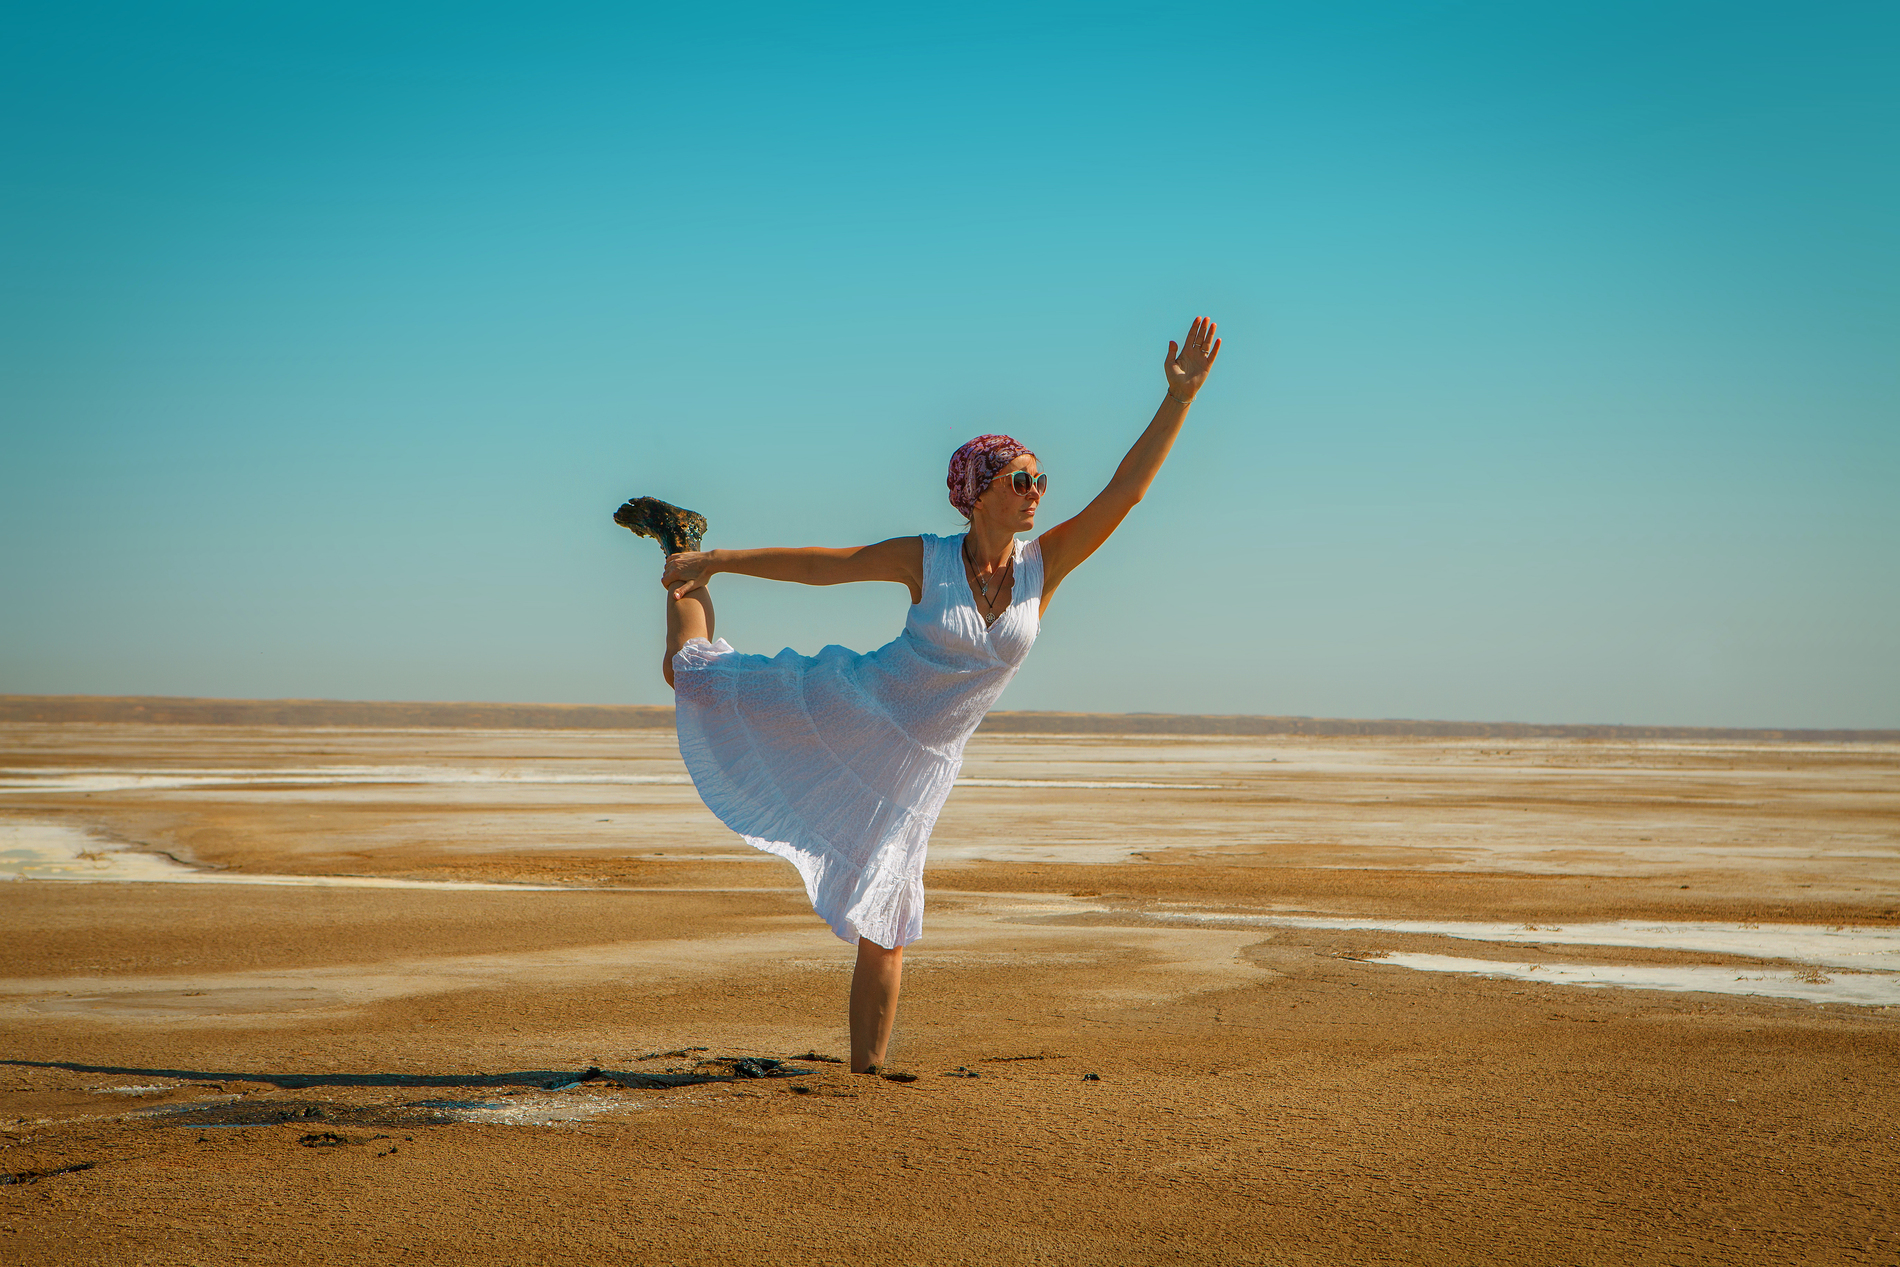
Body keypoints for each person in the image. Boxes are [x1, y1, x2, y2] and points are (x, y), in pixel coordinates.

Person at [614, 316, 1221, 1073]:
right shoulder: (927, 559)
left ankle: (863, 1076)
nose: (1036, 493)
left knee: (889, 912)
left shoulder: (1045, 566)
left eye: (1040, 481)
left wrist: (1180, 398)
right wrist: (719, 560)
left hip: (921, 766)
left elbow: (1125, 493)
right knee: (692, 673)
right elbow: (823, 566)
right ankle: (684, 544)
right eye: (1020, 480)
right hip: (849, 707)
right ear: (978, 495)